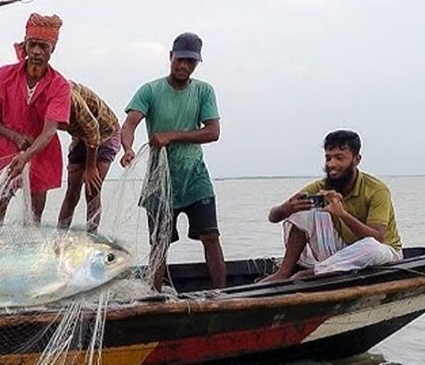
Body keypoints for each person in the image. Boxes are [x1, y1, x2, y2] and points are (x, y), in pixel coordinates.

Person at [120, 32, 226, 291]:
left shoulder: (203, 91)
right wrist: (128, 148)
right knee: (159, 243)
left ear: (196, 64)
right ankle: (153, 297)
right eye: (180, 60)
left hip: (194, 176)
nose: (184, 66)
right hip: (160, 179)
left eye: (191, 62)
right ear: (171, 57)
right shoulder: (150, 90)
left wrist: (172, 136)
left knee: (210, 235)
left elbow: (212, 132)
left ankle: (223, 294)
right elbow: (130, 123)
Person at [260, 130, 402, 282]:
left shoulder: (376, 190)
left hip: (383, 252)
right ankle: (283, 273)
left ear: (356, 159)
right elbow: (273, 217)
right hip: (342, 253)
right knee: (303, 209)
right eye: (328, 158)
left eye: (339, 158)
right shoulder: (321, 186)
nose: (331, 164)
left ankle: (312, 273)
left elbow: (377, 238)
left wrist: (343, 214)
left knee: (371, 248)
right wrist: (287, 207)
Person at [0, 13, 71, 228]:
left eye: (43, 46)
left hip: (41, 152)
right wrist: (15, 136)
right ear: (25, 44)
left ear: (52, 49)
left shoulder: (60, 85)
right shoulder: (4, 75)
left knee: (34, 217)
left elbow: (49, 131)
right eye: (33, 45)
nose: (37, 52)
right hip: (4, 149)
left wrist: (27, 155)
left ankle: (27, 254)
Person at [57, 81, 120, 233]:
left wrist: (91, 168)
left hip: (106, 132)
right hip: (80, 137)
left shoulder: (69, 96)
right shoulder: (42, 98)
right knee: (72, 190)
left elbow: (93, 130)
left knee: (92, 190)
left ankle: (92, 235)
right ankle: (60, 236)